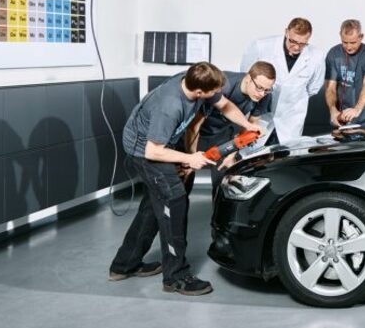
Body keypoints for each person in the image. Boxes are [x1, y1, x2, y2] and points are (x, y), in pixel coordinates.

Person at [108, 62, 259, 296]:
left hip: (161, 144)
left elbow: (225, 105)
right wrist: (190, 158)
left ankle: (124, 264)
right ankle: (176, 276)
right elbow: (153, 151)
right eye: (212, 92)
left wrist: (247, 125)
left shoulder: (194, 81)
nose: (217, 95)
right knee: (174, 200)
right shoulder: (170, 106)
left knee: (154, 204)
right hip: (143, 151)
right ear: (200, 92)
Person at [193, 61, 276, 198]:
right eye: (259, 88)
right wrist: (191, 154)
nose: (262, 94)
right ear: (249, 79)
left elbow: (250, 125)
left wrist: (232, 153)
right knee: (193, 178)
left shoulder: (265, 95)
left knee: (224, 180)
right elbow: (194, 124)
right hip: (198, 133)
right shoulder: (223, 85)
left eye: (267, 89)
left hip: (225, 134)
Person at [240, 18, 325, 144]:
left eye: (302, 44)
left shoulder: (316, 56)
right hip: (258, 116)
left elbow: (313, 88)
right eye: (293, 41)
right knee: (252, 156)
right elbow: (245, 78)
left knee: (285, 158)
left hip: (290, 120)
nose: (296, 47)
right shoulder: (261, 46)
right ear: (286, 32)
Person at [324, 19, 365, 131]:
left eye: (353, 42)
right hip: (340, 119)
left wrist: (357, 109)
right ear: (340, 36)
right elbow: (330, 87)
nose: (349, 47)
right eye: (345, 42)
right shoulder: (333, 54)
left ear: (361, 37)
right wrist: (333, 110)